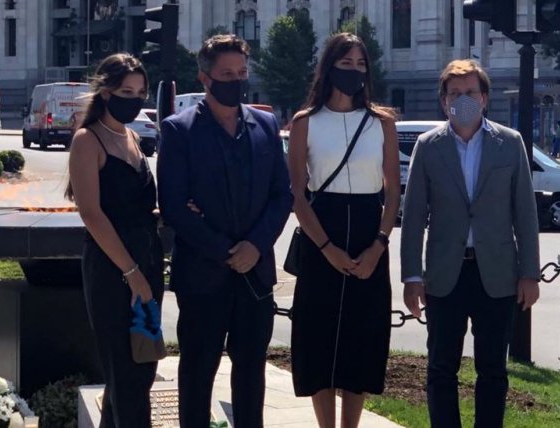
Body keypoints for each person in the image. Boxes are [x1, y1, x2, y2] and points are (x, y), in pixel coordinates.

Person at [157, 34, 292, 428]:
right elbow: (174, 207)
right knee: (197, 374)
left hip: (255, 275)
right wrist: (225, 252)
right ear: (205, 77)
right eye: (227, 73)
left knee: (251, 375)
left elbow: (282, 196)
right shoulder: (178, 130)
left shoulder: (265, 124)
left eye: (242, 72)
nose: (236, 80)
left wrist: (255, 245)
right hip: (202, 276)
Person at [400, 59, 540, 428]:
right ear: (444, 101)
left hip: (496, 275)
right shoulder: (428, 147)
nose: (463, 99)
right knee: (441, 368)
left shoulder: (509, 144)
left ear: (485, 98)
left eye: (470, 93)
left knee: (493, 370)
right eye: (455, 93)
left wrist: (530, 273)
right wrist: (412, 276)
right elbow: (413, 217)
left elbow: (524, 214)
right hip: (446, 274)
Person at [288, 33, 400, 428]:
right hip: (324, 234)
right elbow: (299, 197)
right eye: (346, 63)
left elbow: (392, 192)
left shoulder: (382, 123)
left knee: (363, 339)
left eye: (360, 64)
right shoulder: (305, 123)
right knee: (317, 338)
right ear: (329, 66)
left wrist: (378, 246)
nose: (353, 71)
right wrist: (326, 248)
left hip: (369, 233)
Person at [65, 53, 163, 427]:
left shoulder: (134, 137)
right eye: (127, 91)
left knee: (143, 366)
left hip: (148, 264)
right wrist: (133, 273)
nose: (135, 99)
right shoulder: (87, 141)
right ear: (106, 92)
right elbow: (92, 214)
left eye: (141, 92)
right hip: (112, 270)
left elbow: (139, 205)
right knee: (124, 373)